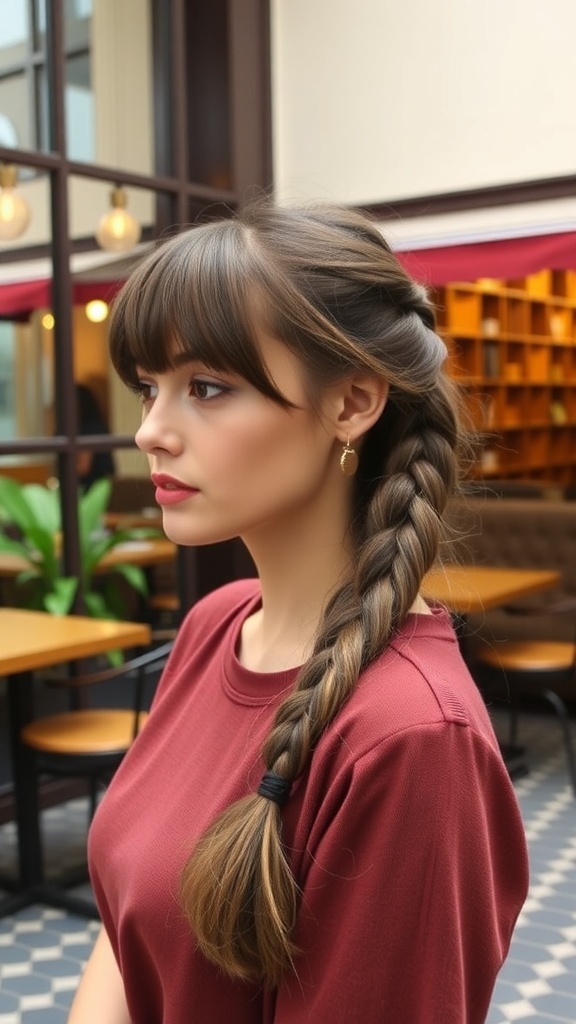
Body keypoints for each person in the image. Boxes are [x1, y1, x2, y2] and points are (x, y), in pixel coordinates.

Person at [68, 202, 528, 1024]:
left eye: (206, 388)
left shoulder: (411, 737)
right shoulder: (216, 625)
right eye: (150, 388)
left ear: (352, 403)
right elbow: (131, 920)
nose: (151, 432)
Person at [75, 382, 115, 489]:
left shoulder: (89, 429)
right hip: (104, 484)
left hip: (94, 488)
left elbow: (83, 468)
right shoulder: (98, 426)